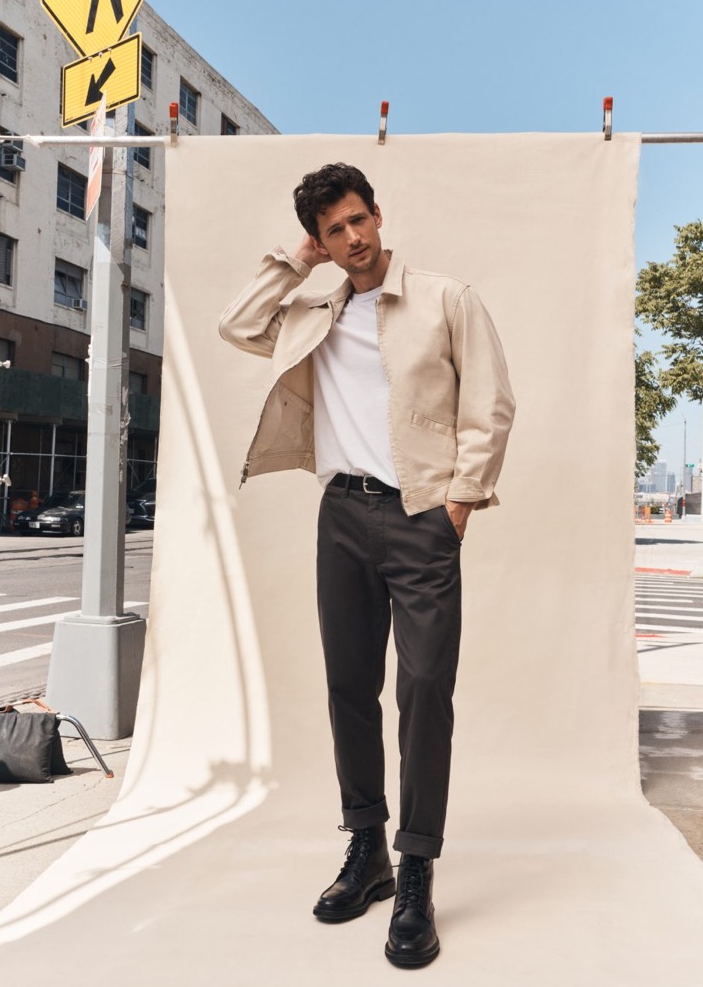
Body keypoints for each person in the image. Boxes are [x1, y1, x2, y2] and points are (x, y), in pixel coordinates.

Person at [219, 163, 514, 968]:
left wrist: (458, 505)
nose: (351, 239)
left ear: (378, 215)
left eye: (357, 221)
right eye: (333, 231)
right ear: (320, 238)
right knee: (349, 687)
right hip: (341, 516)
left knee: (422, 691)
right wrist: (294, 261)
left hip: (420, 516)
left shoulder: (447, 299)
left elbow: (490, 406)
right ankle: (367, 851)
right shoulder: (315, 303)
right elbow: (238, 326)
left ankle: (417, 870)